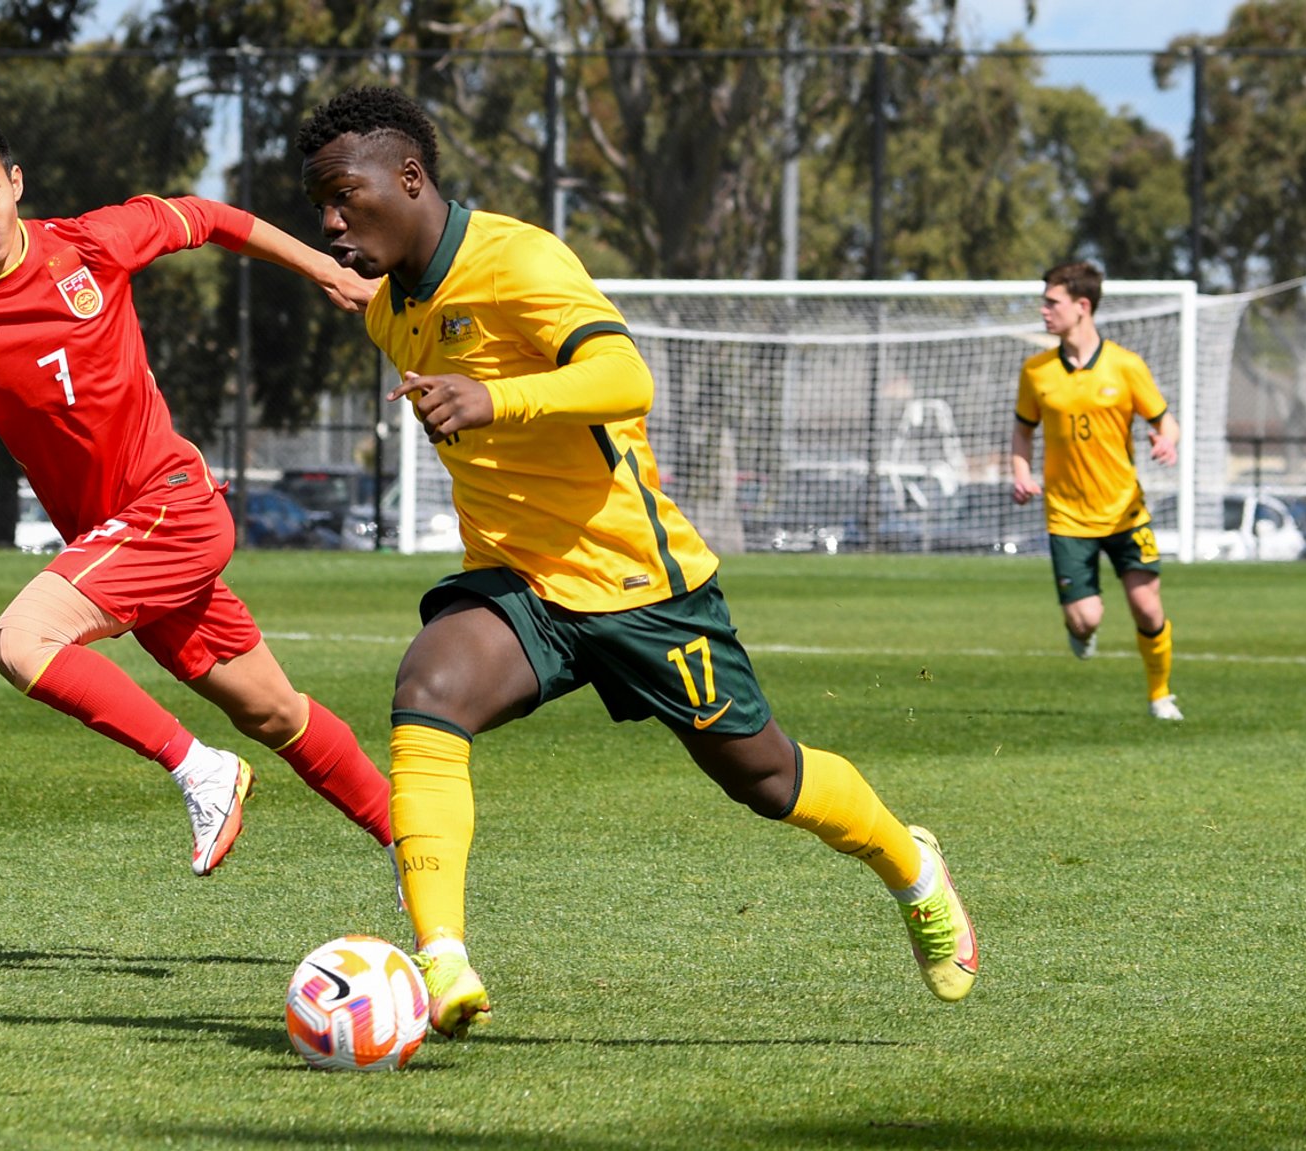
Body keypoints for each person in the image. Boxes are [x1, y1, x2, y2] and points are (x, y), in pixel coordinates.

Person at [295, 86, 978, 1037]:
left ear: (409, 178)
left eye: (342, 195)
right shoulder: (394, 310)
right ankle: (440, 955)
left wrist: (497, 400)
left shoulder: (519, 259)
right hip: (519, 585)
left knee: (767, 780)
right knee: (431, 684)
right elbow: (363, 291)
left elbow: (627, 377)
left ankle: (912, 865)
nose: (330, 219)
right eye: (317, 204)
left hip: (637, 583)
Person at [0, 116, 395, 879]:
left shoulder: (92, 243)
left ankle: (200, 769)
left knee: (20, 641)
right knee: (273, 710)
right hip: (117, 540)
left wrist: (323, 270)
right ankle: (412, 843)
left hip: (170, 509)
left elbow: (210, 217)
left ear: (16, 184)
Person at [1011, 261, 1182, 721]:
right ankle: (1081, 629)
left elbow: (1165, 419)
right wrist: (1020, 471)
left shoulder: (1127, 366)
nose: (1044, 311)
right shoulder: (1036, 371)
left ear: (1082, 306)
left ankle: (1160, 695)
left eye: (1052, 302)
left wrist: (1167, 439)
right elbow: (1023, 432)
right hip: (1067, 516)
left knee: (1148, 609)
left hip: (1126, 510)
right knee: (1086, 618)